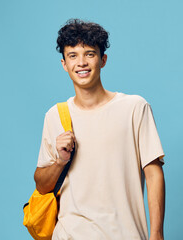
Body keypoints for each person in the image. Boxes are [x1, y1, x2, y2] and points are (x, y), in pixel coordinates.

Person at [33, 19, 165, 240]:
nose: (81, 63)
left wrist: (157, 234)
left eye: (90, 54)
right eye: (73, 55)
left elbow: (153, 174)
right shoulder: (55, 115)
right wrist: (60, 161)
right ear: (64, 64)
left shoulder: (134, 108)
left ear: (103, 60)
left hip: (125, 234)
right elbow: (41, 185)